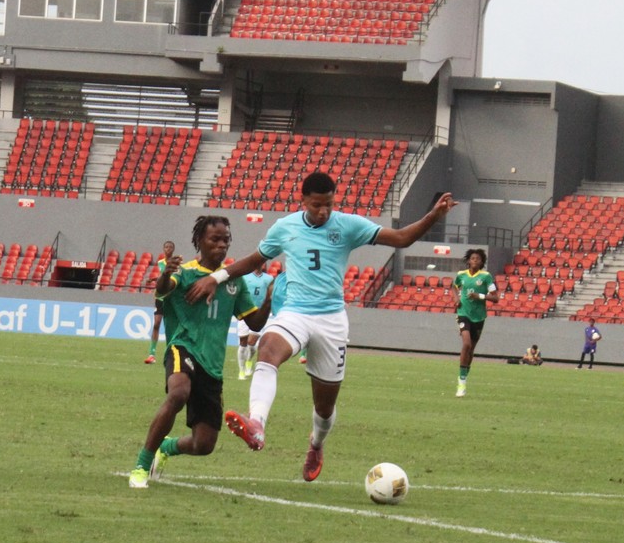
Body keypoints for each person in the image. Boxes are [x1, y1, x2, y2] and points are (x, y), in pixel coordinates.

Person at [186, 171, 456, 482]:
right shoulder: (285, 227)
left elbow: (401, 238)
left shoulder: (348, 225)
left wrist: (433, 216)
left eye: (328, 204)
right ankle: (256, 423)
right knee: (267, 349)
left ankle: (316, 444)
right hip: (295, 313)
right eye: (317, 205)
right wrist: (216, 277)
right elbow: (252, 260)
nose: (324, 211)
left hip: (331, 320)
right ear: (303, 201)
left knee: (324, 408)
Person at [128, 216, 272, 489]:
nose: (221, 245)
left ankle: (166, 448)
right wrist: (165, 274)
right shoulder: (185, 272)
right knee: (178, 393)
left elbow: (254, 323)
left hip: (212, 364)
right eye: (214, 239)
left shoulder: (234, 281)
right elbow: (163, 289)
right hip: (183, 347)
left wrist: (268, 302)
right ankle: (141, 466)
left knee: (203, 444)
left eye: (226, 240)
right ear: (200, 241)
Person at [451, 248, 499, 397]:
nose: (475, 261)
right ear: (468, 261)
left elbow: (495, 298)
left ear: (482, 262)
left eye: (478, 259)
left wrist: (480, 296)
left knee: (471, 350)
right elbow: (454, 287)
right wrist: (456, 298)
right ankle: (461, 382)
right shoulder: (461, 275)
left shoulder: (486, 277)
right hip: (463, 313)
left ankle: (464, 374)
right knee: (466, 344)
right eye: (472, 258)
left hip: (479, 317)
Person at [236, 261, 273, 379]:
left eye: (263, 263)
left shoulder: (269, 279)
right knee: (243, 343)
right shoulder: (245, 277)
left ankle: (249, 361)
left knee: (251, 344)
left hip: (259, 314)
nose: (261, 264)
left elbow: (270, 294)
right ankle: (241, 371)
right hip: (245, 312)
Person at [144, 240, 176, 364]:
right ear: (163, 249)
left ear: (173, 249)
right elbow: (162, 276)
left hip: (171, 298)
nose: (168, 249)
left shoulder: (176, 264)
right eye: (166, 247)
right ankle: (151, 354)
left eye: (170, 247)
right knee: (156, 324)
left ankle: (171, 353)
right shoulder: (160, 263)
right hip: (160, 297)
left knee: (170, 327)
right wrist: (153, 279)